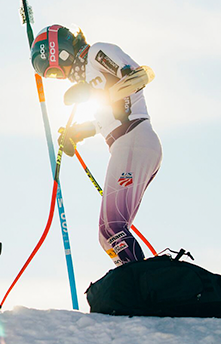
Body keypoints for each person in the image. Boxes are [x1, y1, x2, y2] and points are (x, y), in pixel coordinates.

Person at [30, 24, 162, 267]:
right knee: (107, 235)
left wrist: (92, 92)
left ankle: (141, 288)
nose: (64, 77)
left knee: (113, 228)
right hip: (127, 143)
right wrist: (78, 133)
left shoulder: (97, 53)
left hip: (134, 137)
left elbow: (141, 76)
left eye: (58, 72)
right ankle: (134, 284)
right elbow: (107, 118)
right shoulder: (89, 75)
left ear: (61, 53)